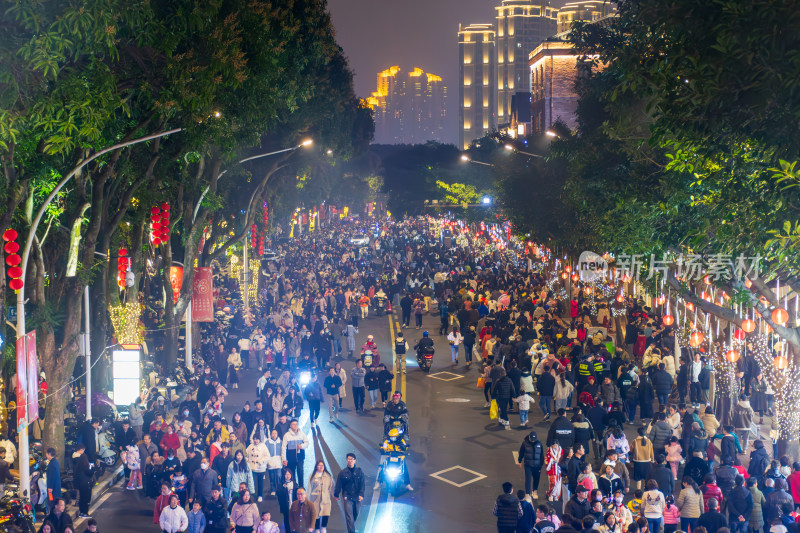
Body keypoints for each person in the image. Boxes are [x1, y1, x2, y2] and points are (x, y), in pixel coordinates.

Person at [334, 453, 365, 533]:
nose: (350, 461)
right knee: (349, 517)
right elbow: (338, 484)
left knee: (356, 513)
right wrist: (336, 494)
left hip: (357, 496)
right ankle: (351, 531)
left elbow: (362, 483)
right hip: (347, 496)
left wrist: (361, 494)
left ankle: (352, 527)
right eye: (348, 459)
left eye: (352, 459)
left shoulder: (359, 471)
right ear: (346, 460)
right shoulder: (342, 473)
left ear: (355, 460)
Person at [308, 461, 335, 533]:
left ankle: (323, 528)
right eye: (319, 465)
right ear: (316, 466)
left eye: (322, 465)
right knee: (316, 514)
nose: (320, 467)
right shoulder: (312, 476)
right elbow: (309, 488)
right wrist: (308, 499)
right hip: (315, 499)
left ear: (324, 466)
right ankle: (317, 529)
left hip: (325, 498)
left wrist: (334, 496)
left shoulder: (328, 476)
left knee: (326, 513)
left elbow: (331, 487)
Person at [282, 419, 310, 486]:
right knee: (292, 474)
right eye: (293, 424)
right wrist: (284, 459)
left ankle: (301, 487)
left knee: (300, 473)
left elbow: (307, 443)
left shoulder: (302, 434)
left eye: (296, 424)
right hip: (290, 458)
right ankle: (294, 487)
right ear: (290, 425)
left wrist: (302, 446)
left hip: (300, 458)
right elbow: (283, 448)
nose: (295, 426)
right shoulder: (286, 435)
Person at [518, 431, 545, 500]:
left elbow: (541, 454)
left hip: (537, 465)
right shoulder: (525, 443)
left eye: (534, 439)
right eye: (532, 439)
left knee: (536, 479)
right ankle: (527, 494)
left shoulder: (539, 443)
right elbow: (521, 452)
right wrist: (519, 461)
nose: (533, 441)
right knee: (528, 479)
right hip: (528, 465)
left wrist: (541, 464)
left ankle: (534, 491)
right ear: (529, 437)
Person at [246, 435, 269, 502]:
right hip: (252, 467)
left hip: (261, 468)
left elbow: (268, 456)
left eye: (257, 439)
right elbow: (245, 453)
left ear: (260, 439)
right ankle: (251, 495)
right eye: (254, 439)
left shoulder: (263, 446)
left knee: (260, 482)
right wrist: (247, 459)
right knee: (251, 482)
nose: (256, 441)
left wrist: (261, 461)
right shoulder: (250, 446)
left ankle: (260, 495)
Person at [73, 443, 93, 518]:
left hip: (80, 484)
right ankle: (85, 513)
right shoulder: (85, 467)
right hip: (86, 484)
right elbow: (90, 473)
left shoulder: (78, 466)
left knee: (81, 498)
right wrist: (91, 467)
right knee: (86, 498)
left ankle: (82, 512)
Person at [45, 447, 62, 513]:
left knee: (52, 502)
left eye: (46, 453)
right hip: (56, 487)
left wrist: (50, 487)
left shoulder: (51, 464)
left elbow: (51, 477)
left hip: (52, 489)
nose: (46, 455)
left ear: (49, 454)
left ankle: (53, 515)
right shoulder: (55, 462)